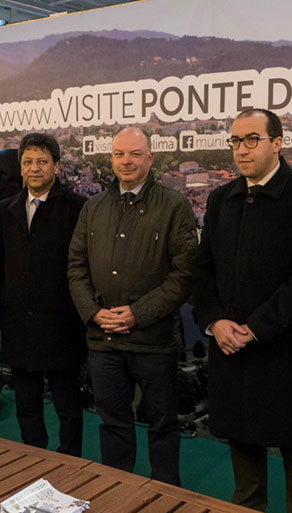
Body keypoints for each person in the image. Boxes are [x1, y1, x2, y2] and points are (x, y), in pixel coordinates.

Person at [192, 108, 292, 513]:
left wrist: (256, 328)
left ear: (277, 143)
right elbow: (202, 270)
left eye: (251, 139)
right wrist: (214, 321)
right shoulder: (221, 199)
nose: (241, 149)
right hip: (230, 349)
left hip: (284, 353)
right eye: (235, 141)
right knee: (242, 449)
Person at [68, 127, 198, 486]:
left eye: (135, 154)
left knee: (162, 425)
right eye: (119, 154)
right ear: (111, 158)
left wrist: (137, 314)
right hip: (104, 341)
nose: (126, 161)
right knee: (113, 425)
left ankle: (166, 499)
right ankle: (118, 495)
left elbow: (184, 274)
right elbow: (76, 266)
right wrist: (93, 313)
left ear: (150, 158)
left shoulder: (174, 206)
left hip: (154, 342)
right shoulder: (93, 207)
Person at [0, 133, 86, 456]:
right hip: (19, 323)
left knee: (68, 406)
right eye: (28, 161)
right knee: (26, 405)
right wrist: (1, 314)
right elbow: (0, 265)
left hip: (62, 324)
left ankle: (70, 461)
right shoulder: (6, 208)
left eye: (43, 161)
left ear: (56, 166)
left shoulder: (77, 207)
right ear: (20, 167)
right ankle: (34, 458)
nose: (35, 168)